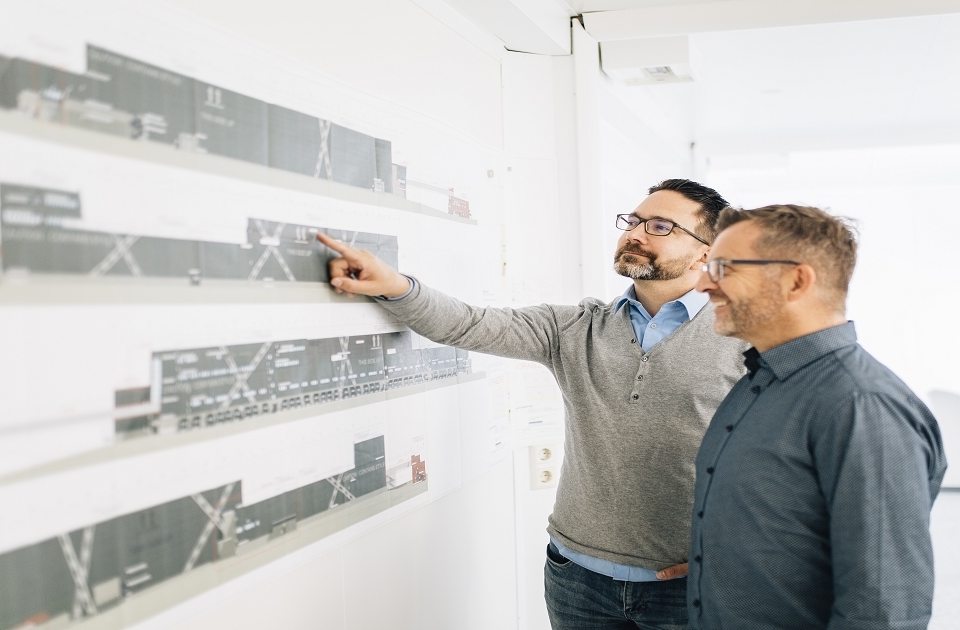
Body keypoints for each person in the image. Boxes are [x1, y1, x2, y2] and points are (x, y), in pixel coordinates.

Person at [317, 179, 748, 630]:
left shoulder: (745, 337)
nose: (635, 233)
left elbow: (780, 463)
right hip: (577, 579)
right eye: (634, 221)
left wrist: (738, 551)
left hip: (688, 588)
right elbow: (468, 324)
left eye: (660, 226)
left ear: (705, 253)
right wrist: (394, 285)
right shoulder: (575, 327)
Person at [688, 204, 947, 630]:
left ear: (796, 280)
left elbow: (883, 607)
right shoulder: (760, 379)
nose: (702, 284)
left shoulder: (861, 404)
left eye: (722, 268)